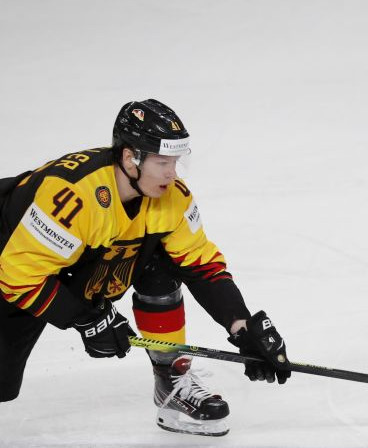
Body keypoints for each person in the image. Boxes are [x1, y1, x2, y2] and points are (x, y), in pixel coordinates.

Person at [0, 99, 291, 436]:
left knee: (159, 257)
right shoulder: (73, 195)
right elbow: (18, 275)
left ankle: (170, 380)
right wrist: (86, 319)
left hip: (66, 262)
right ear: (129, 158)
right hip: (9, 258)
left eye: (176, 162)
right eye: (162, 162)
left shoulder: (171, 197)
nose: (172, 173)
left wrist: (242, 326)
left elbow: (201, 264)